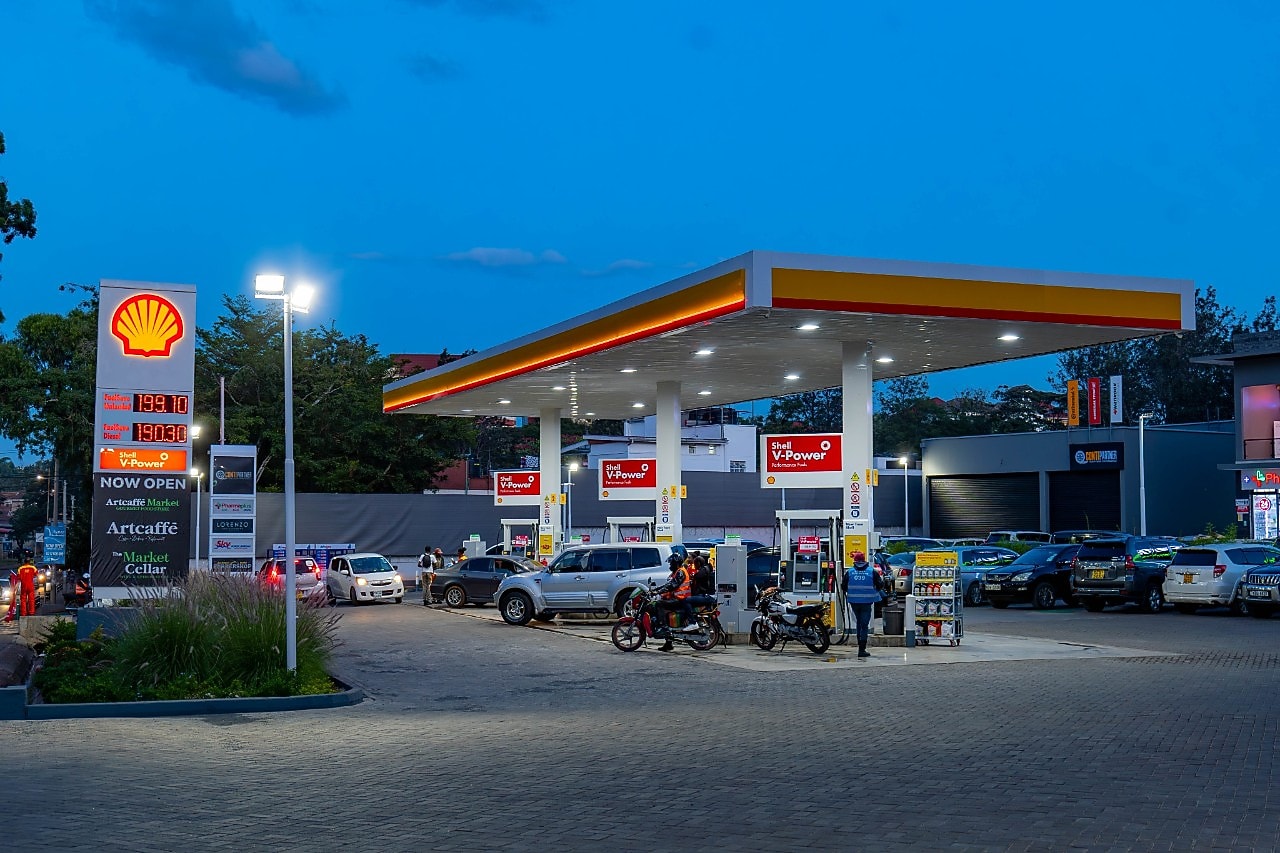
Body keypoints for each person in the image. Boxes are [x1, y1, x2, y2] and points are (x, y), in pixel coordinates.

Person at [842, 550, 886, 658]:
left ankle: (860, 645)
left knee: (859, 622)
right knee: (864, 625)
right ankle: (862, 649)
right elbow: (880, 584)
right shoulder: (871, 571)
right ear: (864, 559)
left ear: (854, 560)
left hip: (853, 602)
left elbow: (843, 586)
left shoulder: (850, 572)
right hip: (867, 602)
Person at [16, 552, 38, 618]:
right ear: (29, 562)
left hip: (24, 586)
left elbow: (18, 577)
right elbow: (36, 574)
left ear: (24, 562)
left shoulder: (20, 568)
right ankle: (31, 612)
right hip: (30, 585)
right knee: (31, 599)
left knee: (23, 599)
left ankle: (23, 613)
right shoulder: (33, 568)